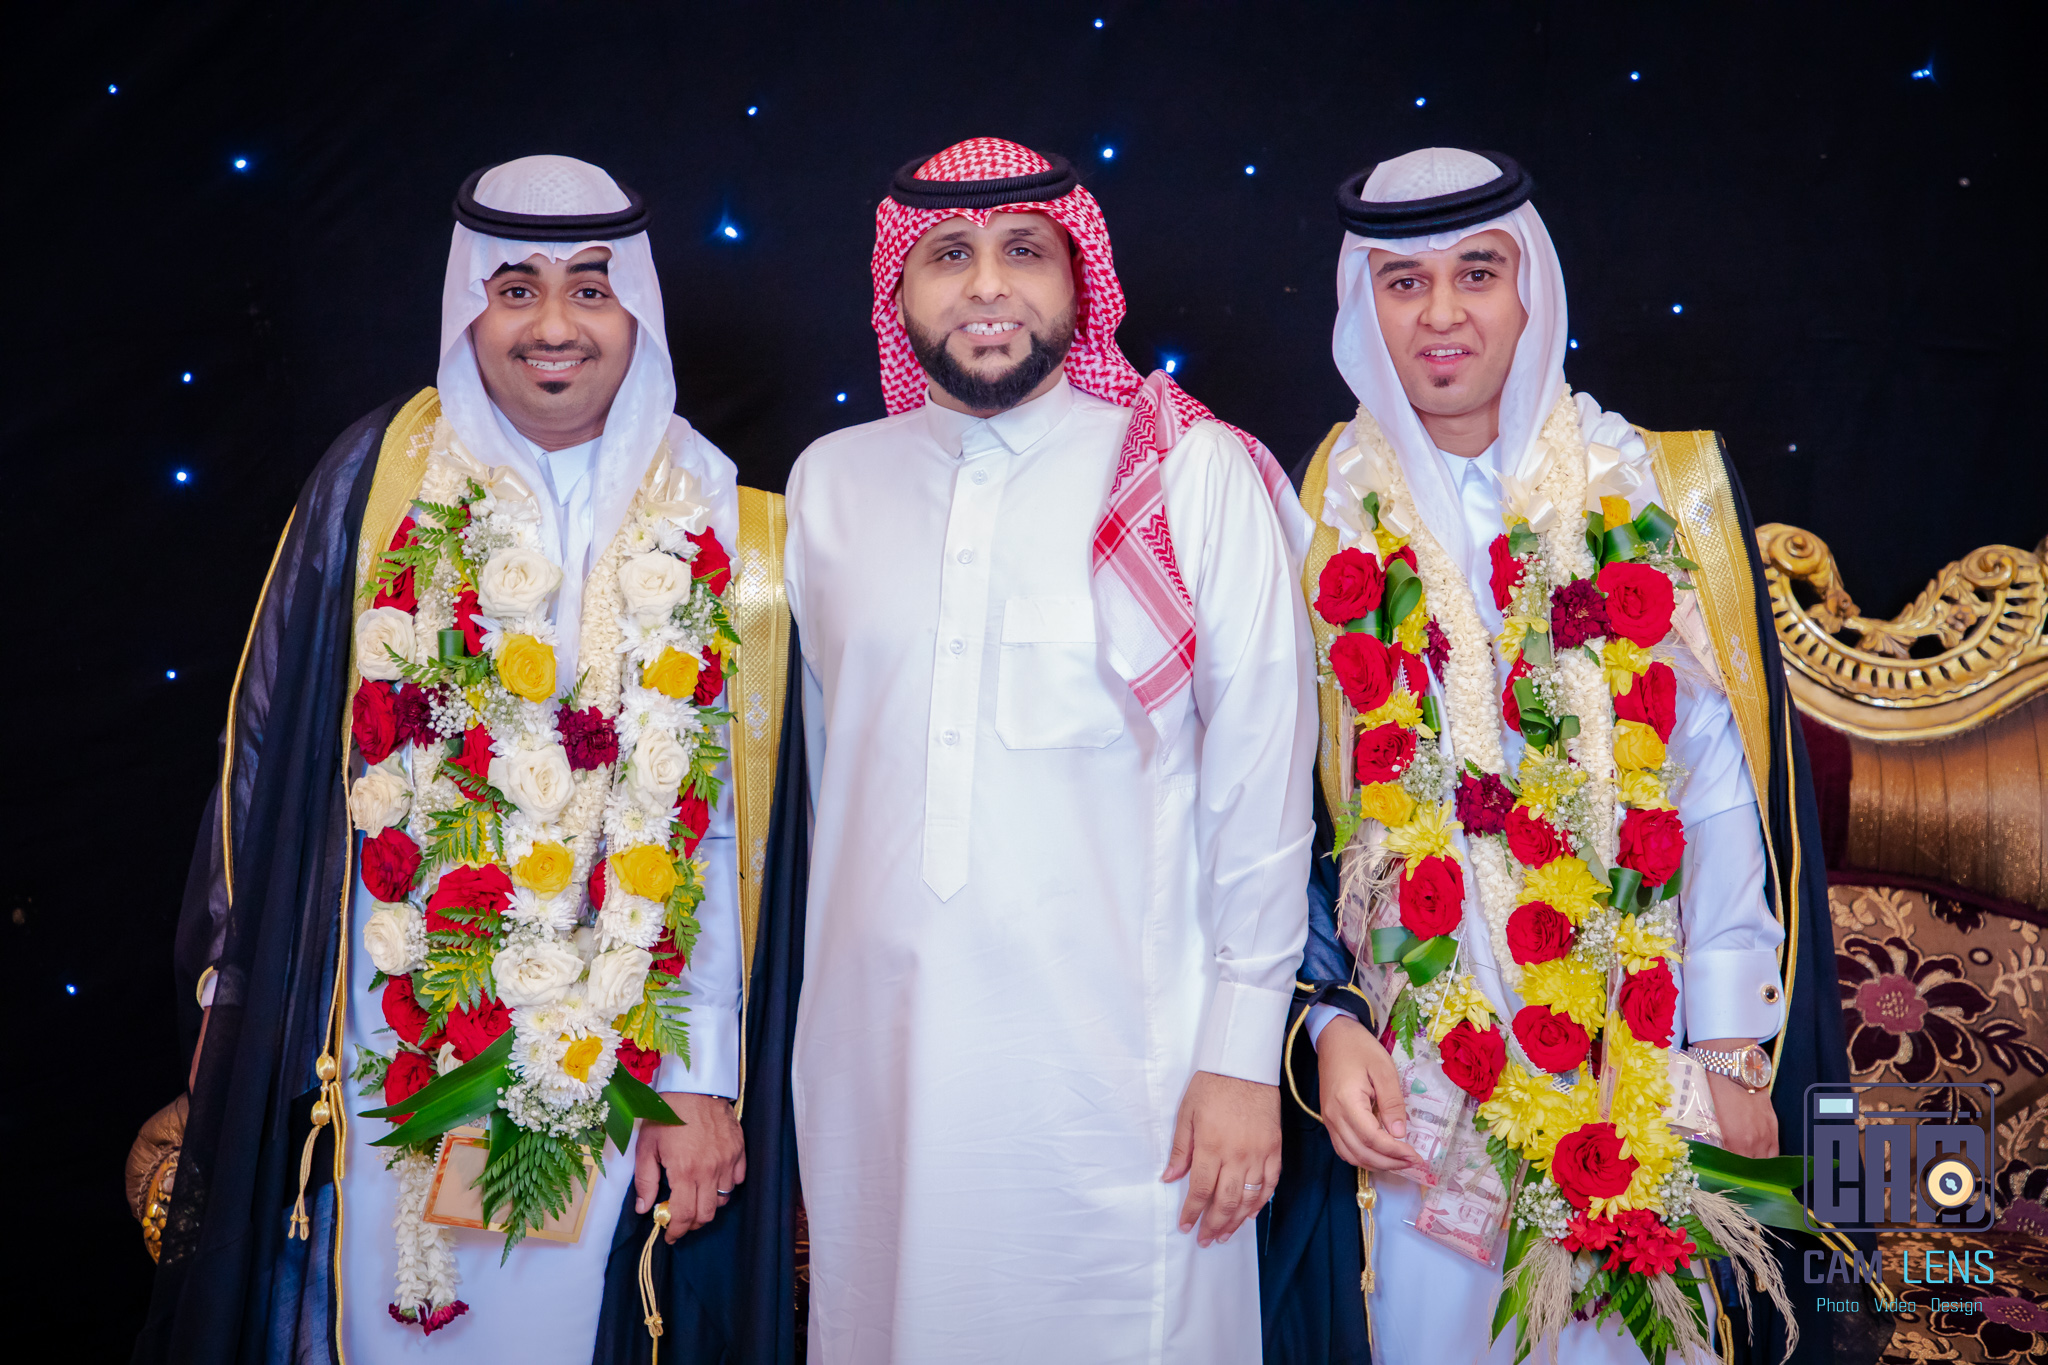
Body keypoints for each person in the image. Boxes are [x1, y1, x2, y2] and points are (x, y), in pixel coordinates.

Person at [135, 155, 808, 1364]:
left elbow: (716, 832)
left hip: (619, 1050)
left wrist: (701, 1077)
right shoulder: (377, 481)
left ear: (635, 309)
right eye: (516, 289)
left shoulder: (720, 511)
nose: (554, 326)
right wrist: (235, 999)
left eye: (589, 288)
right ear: (469, 306)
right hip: (388, 1031)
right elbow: (268, 751)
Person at [1284, 147, 1849, 1363]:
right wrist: (1326, 1026)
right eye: (1402, 282)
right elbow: (1289, 816)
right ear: (1361, 305)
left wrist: (1726, 1041)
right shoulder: (1317, 513)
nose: (1440, 314)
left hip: (1644, 1030)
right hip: (1419, 1057)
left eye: (1476, 272)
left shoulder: (1650, 485)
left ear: (1529, 287)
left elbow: (1714, 790)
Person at [781, 137, 1319, 1363]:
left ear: (1079, 280)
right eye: (947, 256)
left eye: (1024, 251)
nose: (987, 286)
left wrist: (1242, 1057)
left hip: (1128, 1085)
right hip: (878, 1075)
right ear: (895, 291)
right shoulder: (827, 488)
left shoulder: (1184, 469)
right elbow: (819, 800)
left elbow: (1261, 785)